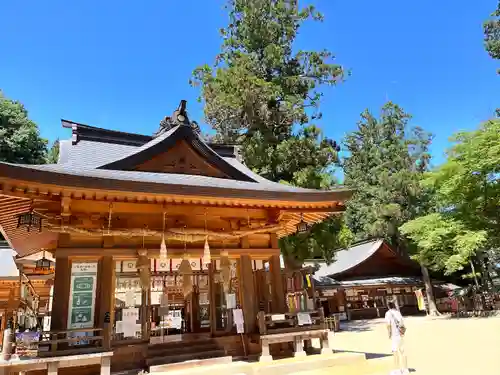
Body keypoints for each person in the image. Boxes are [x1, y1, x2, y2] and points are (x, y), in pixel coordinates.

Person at [385, 301, 409, 375]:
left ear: (388, 306)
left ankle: (397, 370)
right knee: (403, 351)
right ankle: (405, 370)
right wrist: (402, 332)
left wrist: (389, 333)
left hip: (394, 335)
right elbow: (402, 322)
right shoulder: (398, 312)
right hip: (400, 333)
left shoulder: (388, 313)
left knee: (395, 352)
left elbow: (388, 325)